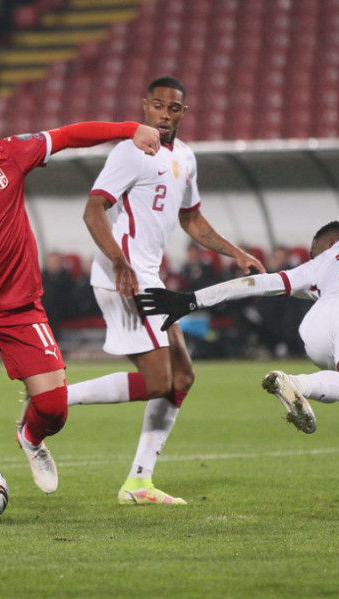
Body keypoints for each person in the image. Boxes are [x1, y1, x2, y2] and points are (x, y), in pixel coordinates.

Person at [0, 96, 160, 519]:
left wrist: (130, 128)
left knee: (54, 409)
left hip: (20, 307)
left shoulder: (10, 154)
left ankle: (31, 436)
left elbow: (70, 135)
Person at [63, 76, 265, 505]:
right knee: (159, 382)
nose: (164, 114)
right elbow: (93, 209)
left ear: (183, 113)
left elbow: (192, 220)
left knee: (183, 378)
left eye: (173, 109)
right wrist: (119, 260)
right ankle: (53, 399)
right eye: (157, 106)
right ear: (145, 106)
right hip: (125, 276)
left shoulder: (186, 159)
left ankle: (139, 481)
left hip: (149, 277)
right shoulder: (130, 151)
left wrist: (235, 253)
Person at [137, 222, 339, 513]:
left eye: (313, 252)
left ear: (329, 245)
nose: (313, 259)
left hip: (317, 326)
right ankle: (298, 384)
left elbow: (261, 284)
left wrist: (193, 299)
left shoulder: (323, 261)